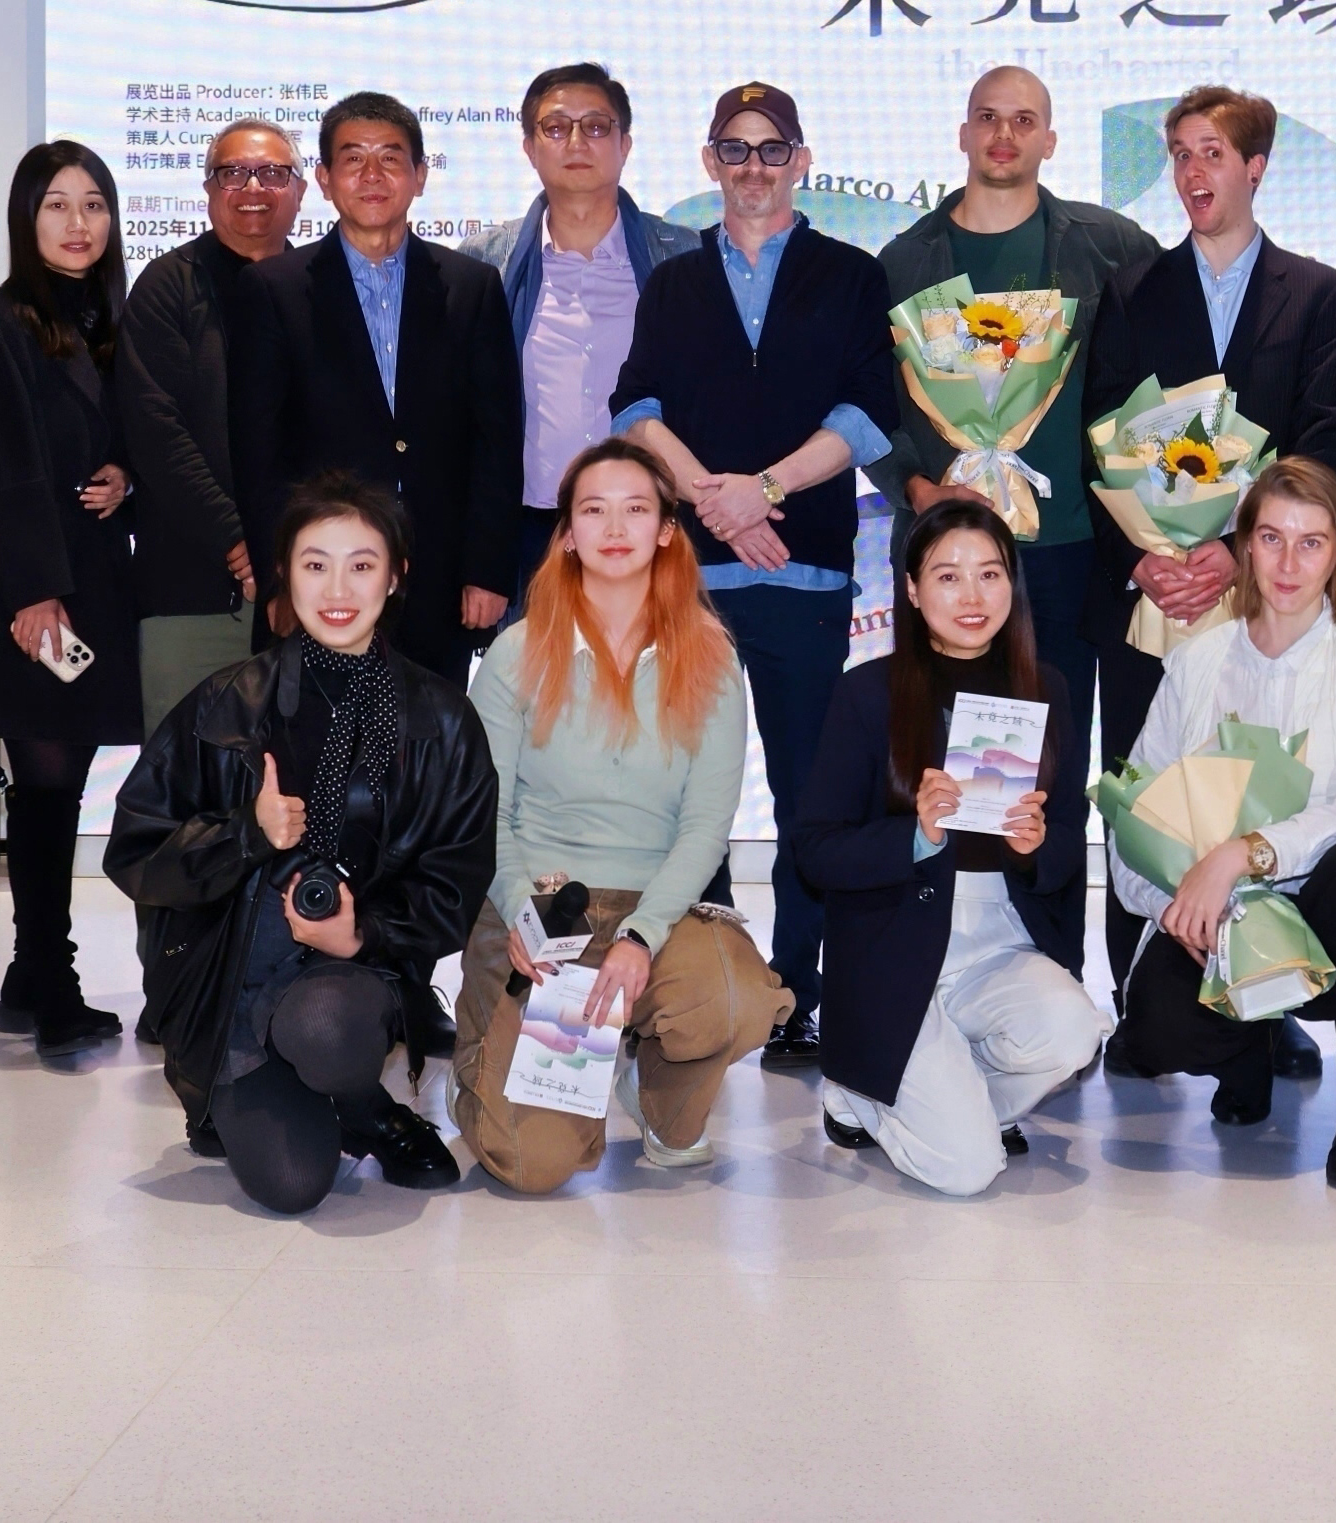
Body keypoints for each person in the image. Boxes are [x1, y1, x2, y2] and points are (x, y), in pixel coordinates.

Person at [106, 474, 496, 1210]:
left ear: (396, 575)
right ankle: (269, 1091)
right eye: (316, 564)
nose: (337, 589)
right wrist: (244, 836)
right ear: (285, 573)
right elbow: (133, 851)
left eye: (361, 564)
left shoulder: (442, 718)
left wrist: (364, 932)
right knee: (292, 1186)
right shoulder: (224, 703)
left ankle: (361, 1101)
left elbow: (456, 881)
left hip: (350, 977)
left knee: (327, 1030)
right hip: (234, 973)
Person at [612, 80, 898, 1068]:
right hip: (694, 578)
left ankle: (798, 992)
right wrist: (712, 500)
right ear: (709, 162)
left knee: (809, 790)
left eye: (772, 149)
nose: (753, 168)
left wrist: (764, 490)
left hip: (804, 571)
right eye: (733, 149)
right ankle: (696, 977)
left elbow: (868, 414)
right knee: (683, 786)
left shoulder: (850, 274)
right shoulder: (673, 282)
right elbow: (636, 408)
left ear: (801, 161)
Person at [1083, 85, 1336, 1041]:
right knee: (1149, 792)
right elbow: (1100, 439)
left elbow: (1322, 440)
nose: (1192, 170)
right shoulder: (1131, 291)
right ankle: (1140, 1001)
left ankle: (1269, 1006)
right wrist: (1145, 558)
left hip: (1266, 596)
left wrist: (1236, 549)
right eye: (1179, 153)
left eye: (1211, 151)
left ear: (1256, 167)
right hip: (1154, 594)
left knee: (1256, 792)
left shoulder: (1320, 294)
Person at [876, 64, 1159, 975]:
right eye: (988, 118)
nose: (1004, 135)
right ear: (963, 134)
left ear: (1050, 139)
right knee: (944, 770)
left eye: (1024, 120)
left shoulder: (1109, 246)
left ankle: (1058, 974)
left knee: (1055, 775)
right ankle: (944, 969)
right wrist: (917, 488)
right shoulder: (904, 260)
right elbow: (867, 407)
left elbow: (1155, 382)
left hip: (1069, 552)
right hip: (948, 560)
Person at [1103, 459, 1336, 1191]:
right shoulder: (1195, 661)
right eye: (1270, 538)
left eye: (1311, 542)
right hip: (1223, 920)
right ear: (1245, 546)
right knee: (1155, 1029)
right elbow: (1134, 813)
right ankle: (1245, 1053)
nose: (1288, 563)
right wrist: (1172, 907)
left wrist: (1242, 853)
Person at [454, 440, 787, 1190]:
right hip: (545, 908)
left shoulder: (710, 656)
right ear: (567, 532)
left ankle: (660, 1099)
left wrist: (640, 934)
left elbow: (705, 826)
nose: (614, 527)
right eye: (593, 510)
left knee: (735, 1000)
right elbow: (485, 812)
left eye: (635, 509)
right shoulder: (514, 653)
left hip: (657, 908)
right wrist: (521, 914)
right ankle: (494, 1068)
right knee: (533, 1165)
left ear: (667, 530)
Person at [796, 496, 1108, 1195]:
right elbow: (815, 849)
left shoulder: (1047, 687)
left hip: (999, 940)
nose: (972, 596)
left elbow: (1068, 838)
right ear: (911, 589)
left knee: (1073, 1031)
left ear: (1012, 585)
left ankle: (928, 1093)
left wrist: (1034, 845)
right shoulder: (866, 693)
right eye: (948, 576)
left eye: (990, 574)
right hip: (895, 945)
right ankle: (865, 1091)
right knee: (968, 1171)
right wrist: (914, 835)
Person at [237, 92, 521, 678]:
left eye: (391, 158)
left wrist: (487, 570)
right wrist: (279, 579)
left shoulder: (471, 287)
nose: (372, 175)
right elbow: (257, 453)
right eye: (353, 159)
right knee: (315, 732)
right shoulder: (273, 289)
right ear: (323, 178)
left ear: (420, 176)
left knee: (429, 731)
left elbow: (496, 441)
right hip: (321, 580)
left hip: (438, 579)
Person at [0, 141, 143, 1067]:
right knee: (42, 789)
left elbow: (133, 434)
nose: (79, 223)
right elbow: (1, 460)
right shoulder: (3, 321)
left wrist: (127, 477)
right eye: (57, 205)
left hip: (97, 576)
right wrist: (35, 590)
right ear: (24, 218)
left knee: (63, 786)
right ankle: (50, 979)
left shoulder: (113, 316)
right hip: (36, 590)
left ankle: (32, 977)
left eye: (94, 204)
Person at [468, 63, 697, 600]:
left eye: (595, 126)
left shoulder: (684, 257)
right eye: (555, 127)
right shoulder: (486, 263)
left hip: (657, 528)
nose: (576, 142)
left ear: (625, 145)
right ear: (529, 147)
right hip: (531, 531)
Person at [116, 119, 299, 737]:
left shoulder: (321, 288)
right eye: (234, 172)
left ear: (302, 190)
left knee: (296, 779)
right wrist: (238, 540)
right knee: (186, 775)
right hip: (191, 592)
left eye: (273, 173)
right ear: (208, 189)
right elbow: (155, 428)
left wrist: (288, 552)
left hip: (305, 593)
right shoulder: (168, 285)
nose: (254, 187)